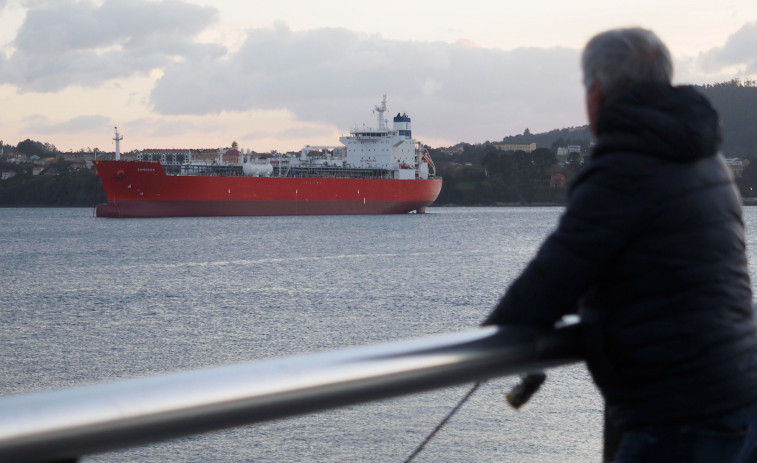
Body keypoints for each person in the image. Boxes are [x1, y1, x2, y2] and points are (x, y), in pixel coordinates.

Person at [483, 27, 757, 462]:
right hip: (738, 394)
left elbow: (551, 281)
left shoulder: (625, 167)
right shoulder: (707, 157)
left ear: (596, 92)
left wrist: (489, 342)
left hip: (678, 414)